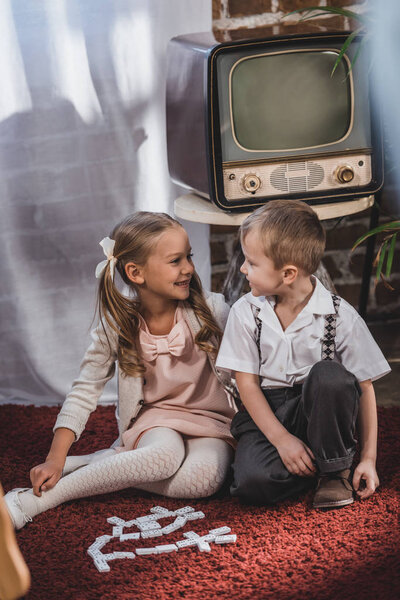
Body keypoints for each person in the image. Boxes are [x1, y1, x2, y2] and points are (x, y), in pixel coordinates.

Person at [5, 212, 236, 529]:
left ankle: (97, 465)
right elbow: (86, 389)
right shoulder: (117, 323)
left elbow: (246, 373)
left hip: (213, 421)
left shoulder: (213, 310)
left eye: (189, 256)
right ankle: (34, 500)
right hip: (155, 418)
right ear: (135, 273)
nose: (188, 269)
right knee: (164, 458)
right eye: (175, 261)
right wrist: (55, 457)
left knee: (203, 482)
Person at [216, 199, 390, 509]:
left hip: (322, 410)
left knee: (328, 374)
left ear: (287, 274)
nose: (243, 269)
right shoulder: (245, 312)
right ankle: (312, 466)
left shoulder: (340, 315)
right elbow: (247, 385)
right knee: (251, 485)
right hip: (269, 413)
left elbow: (364, 388)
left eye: (252, 263)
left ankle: (335, 469)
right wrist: (283, 442)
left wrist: (369, 458)